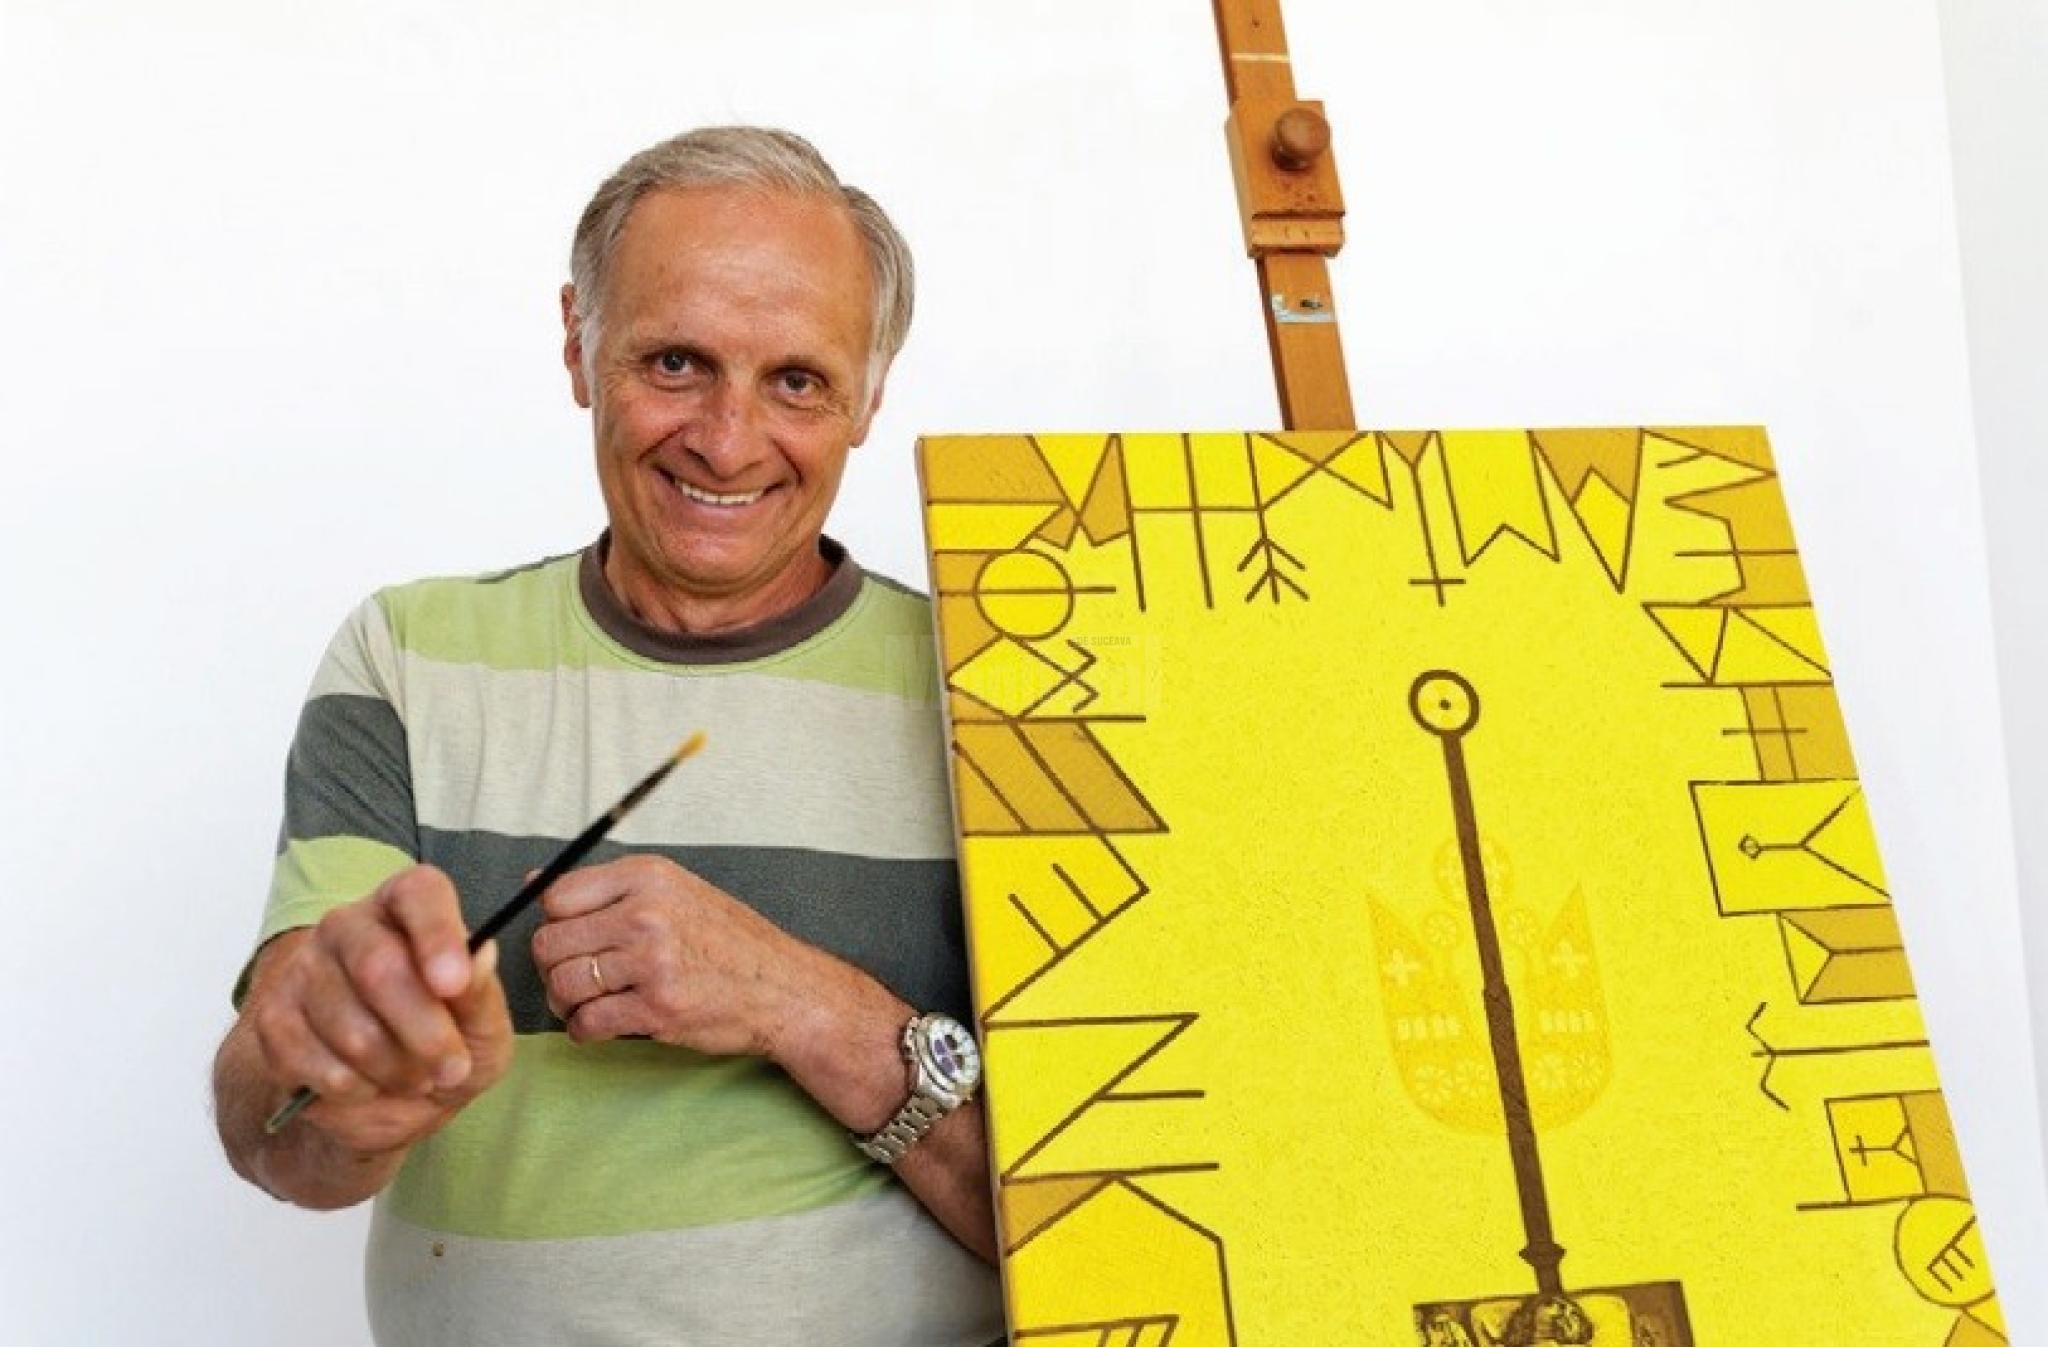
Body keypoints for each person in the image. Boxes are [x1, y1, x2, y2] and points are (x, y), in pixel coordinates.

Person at [211, 126, 1007, 1345]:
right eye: (675, 363)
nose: (726, 441)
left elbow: (1110, 1222)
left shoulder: (997, 692)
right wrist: (343, 1083)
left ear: (872, 391)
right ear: (577, 341)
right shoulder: (405, 658)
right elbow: (275, 1141)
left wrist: (807, 1010)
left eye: (797, 381)